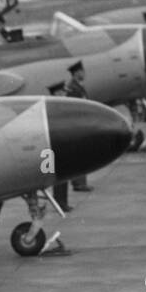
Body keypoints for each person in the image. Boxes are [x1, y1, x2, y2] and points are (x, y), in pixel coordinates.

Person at [62, 61, 93, 193]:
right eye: (82, 71)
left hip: (82, 124)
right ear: (76, 73)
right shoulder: (73, 88)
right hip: (77, 125)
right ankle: (79, 183)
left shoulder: (78, 86)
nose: (84, 73)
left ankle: (80, 182)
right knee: (80, 155)